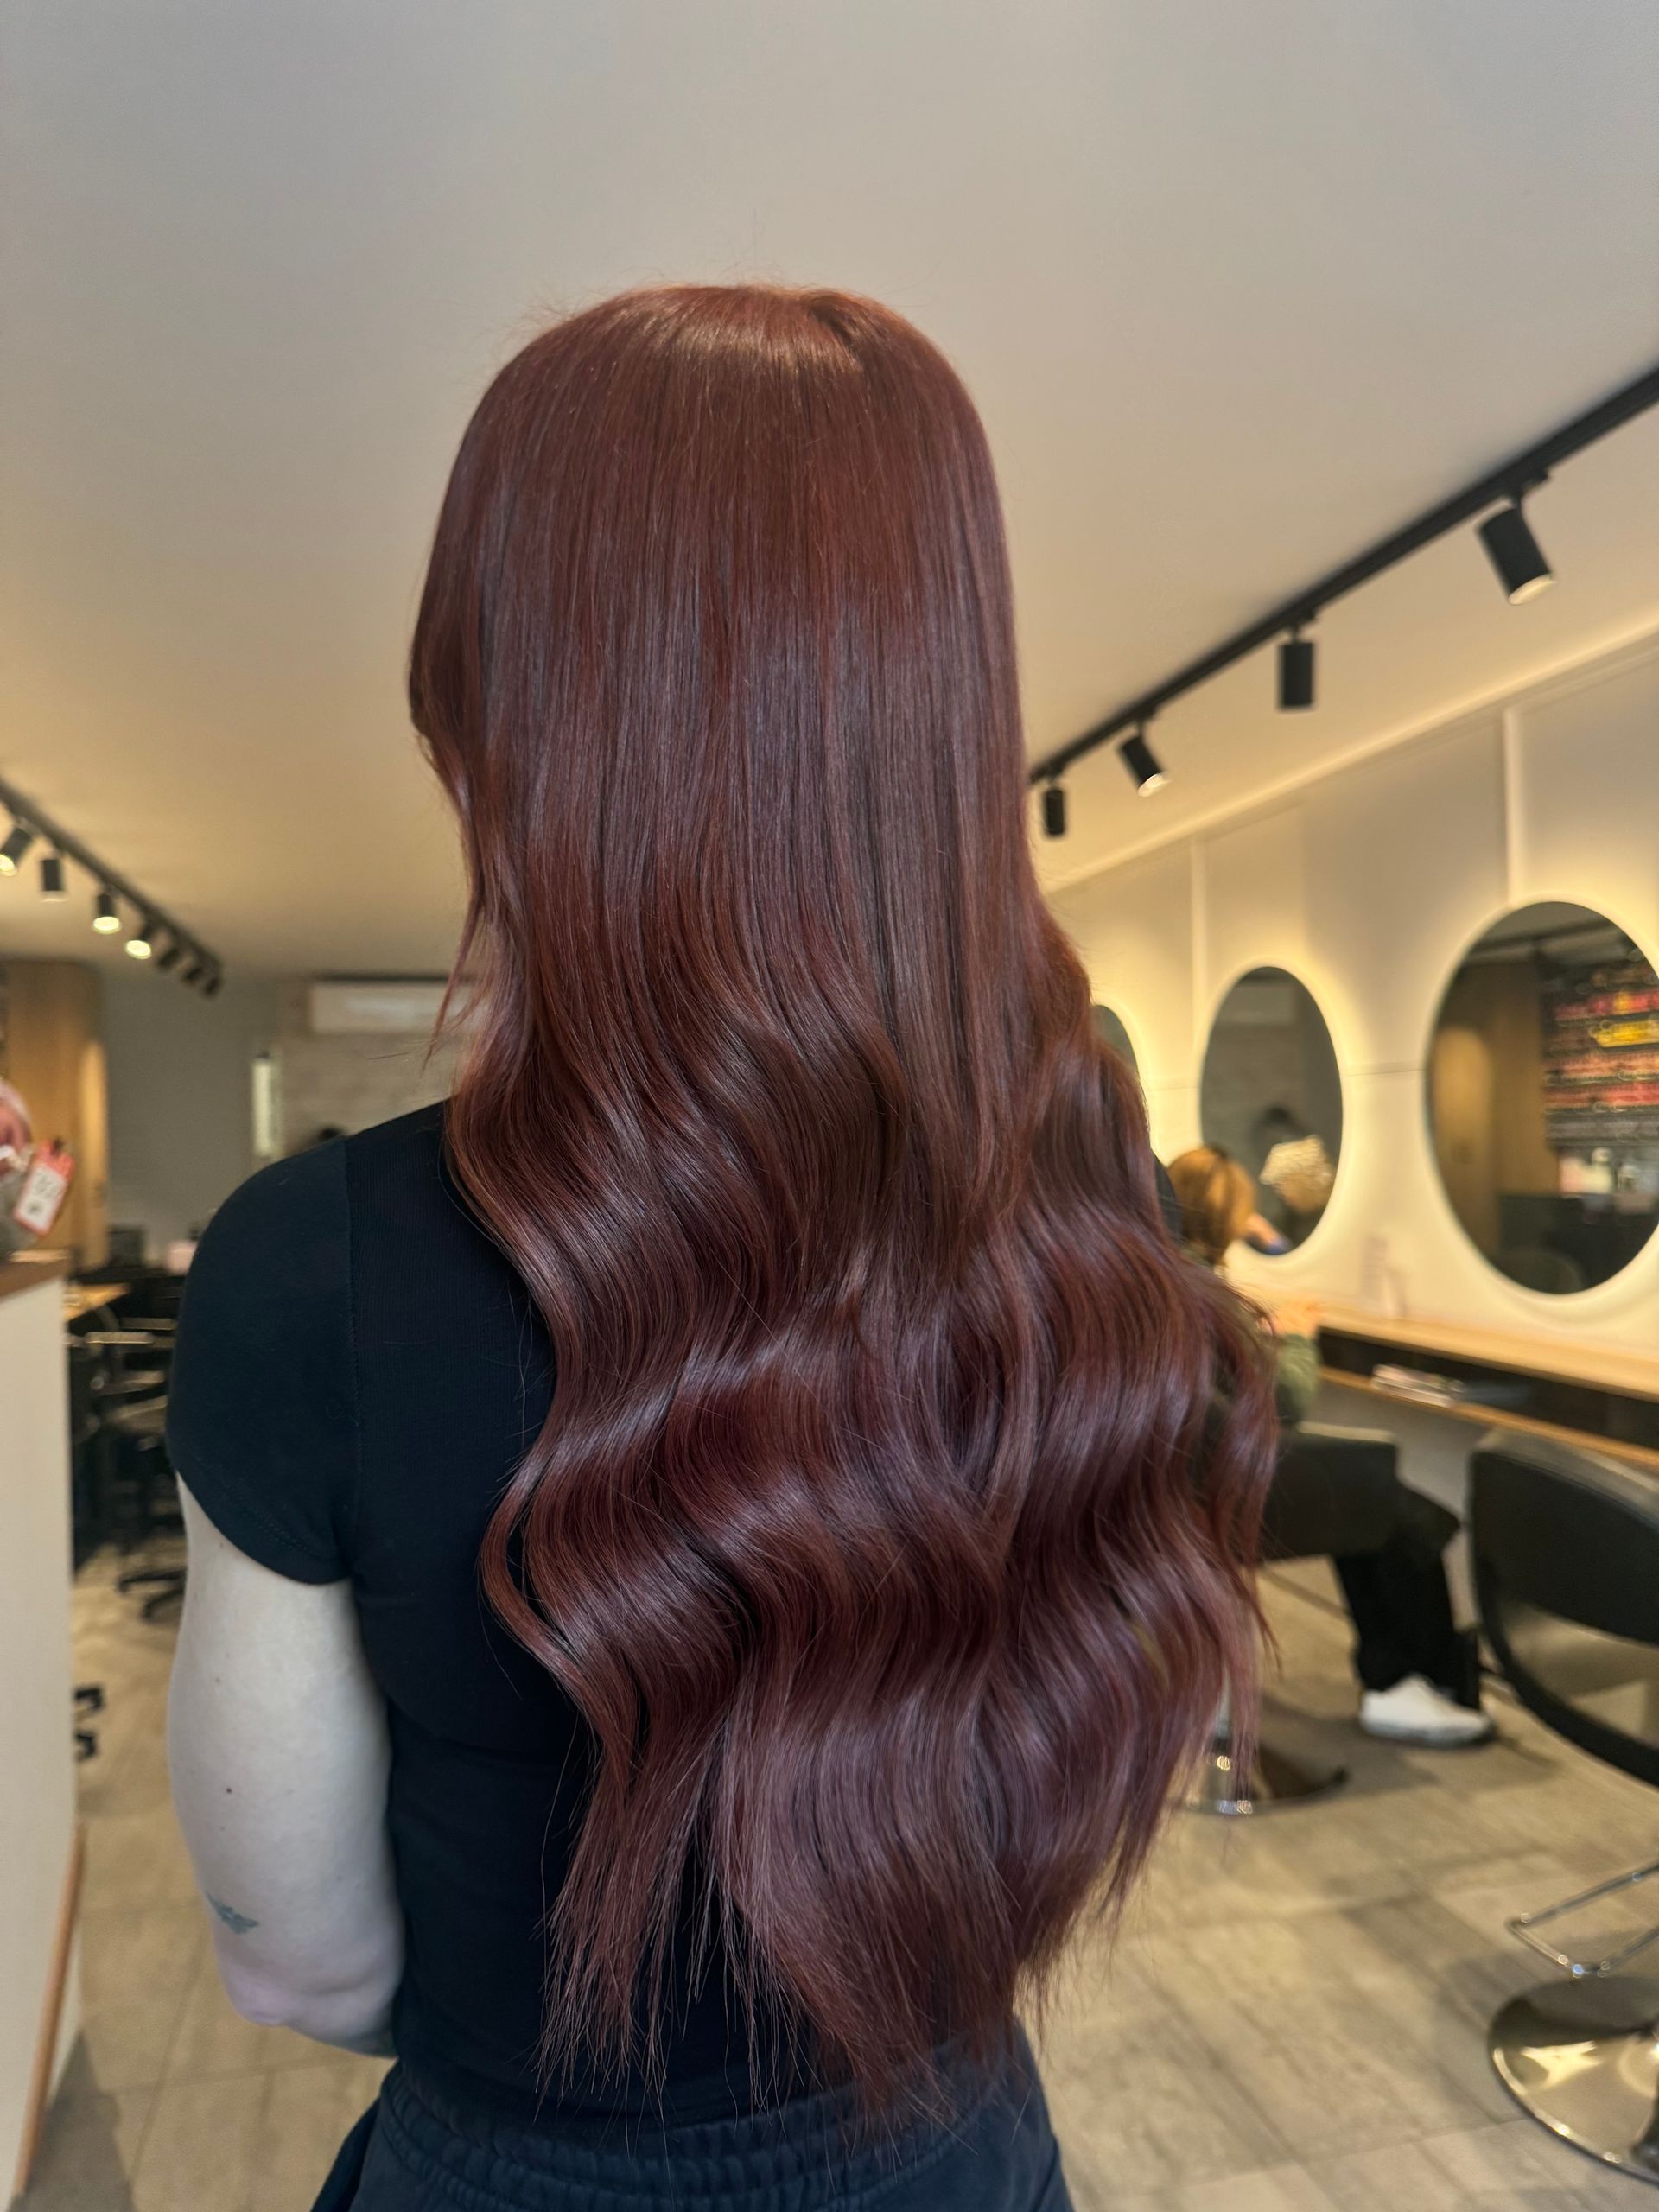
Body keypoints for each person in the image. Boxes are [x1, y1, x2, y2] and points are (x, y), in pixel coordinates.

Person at [164, 286, 1280, 2212]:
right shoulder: (1085, 1196)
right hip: (961, 2139)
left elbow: (302, 1961)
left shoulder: (314, 1264)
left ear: (495, 718)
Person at [1166, 1146, 1493, 1749]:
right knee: (1398, 1515)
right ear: (1222, 1217)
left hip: (1182, 1486)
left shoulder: (1165, 1279)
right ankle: (1404, 1684)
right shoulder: (1203, 1290)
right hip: (1224, 1491)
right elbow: (1288, 1401)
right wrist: (1295, 1339)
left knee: (1377, 1503)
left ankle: (1402, 1677)